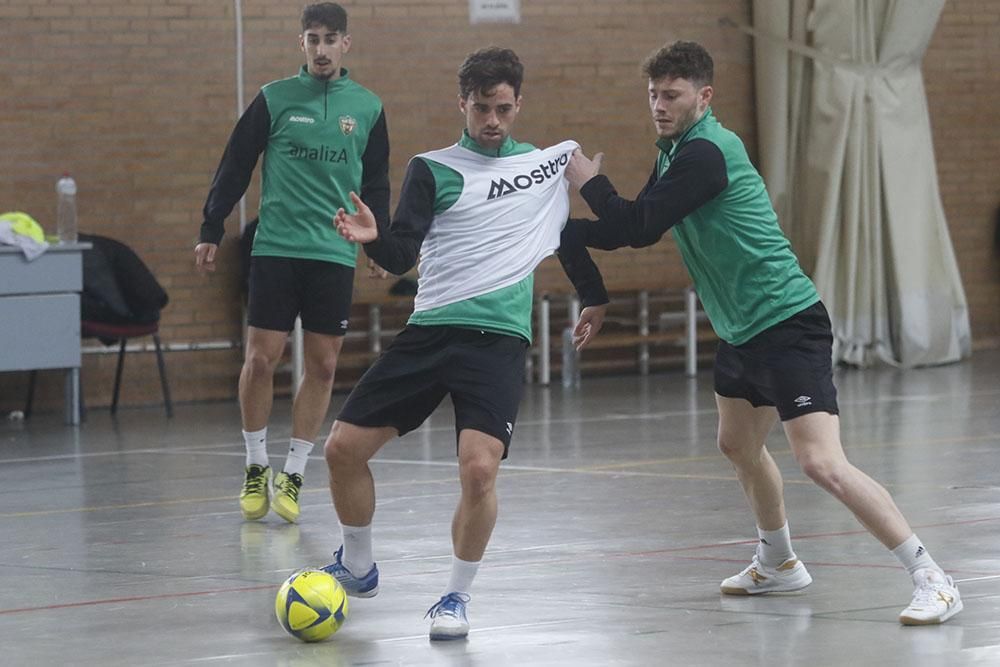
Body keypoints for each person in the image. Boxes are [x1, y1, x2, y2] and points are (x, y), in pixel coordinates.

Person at [562, 40, 961, 626]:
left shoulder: (708, 152)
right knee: (738, 445)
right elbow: (628, 228)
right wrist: (567, 237)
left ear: (704, 96)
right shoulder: (672, 153)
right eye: (652, 94)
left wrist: (590, 182)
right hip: (742, 331)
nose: (658, 105)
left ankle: (933, 576)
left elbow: (641, 226)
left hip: (787, 322)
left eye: (670, 95)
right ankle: (778, 562)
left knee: (822, 463)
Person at [319, 47, 609, 640]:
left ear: (518, 104)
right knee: (341, 450)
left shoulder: (542, 165)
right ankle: (358, 563)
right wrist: (374, 240)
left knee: (479, 472)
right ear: (463, 104)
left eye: (503, 108)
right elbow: (402, 251)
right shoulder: (434, 167)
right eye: (482, 108)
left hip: (497, 340)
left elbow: (562, 237)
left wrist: (594, 295)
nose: (493, 121)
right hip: (431, 332)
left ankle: (455, 597)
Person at [195, 3, 390, 525]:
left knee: (324, 364)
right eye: (313, 39)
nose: (321, 49)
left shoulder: (367, 107)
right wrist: (212, 227)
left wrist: (380, 246)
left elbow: (376, 185)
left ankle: (295, 472)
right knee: (263, 358)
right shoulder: (274, 99)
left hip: (332, 253)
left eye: (330, 39)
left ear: (345, 44)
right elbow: (235, 164)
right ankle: (256, 464)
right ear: (300, 43)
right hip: (278, 248)